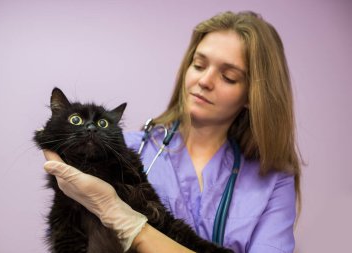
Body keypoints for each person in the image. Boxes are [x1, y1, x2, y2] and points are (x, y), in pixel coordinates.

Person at [43, 11, 301, 253]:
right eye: (199, 65)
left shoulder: (273, 180)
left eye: (228, 76)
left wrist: (129, 223)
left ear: (252, 95)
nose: (204, 81)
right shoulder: (121, 152)